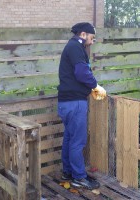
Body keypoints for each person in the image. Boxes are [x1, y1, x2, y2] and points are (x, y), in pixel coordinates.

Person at [57, 22, 106, 190]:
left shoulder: (71, 47)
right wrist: (95, 85)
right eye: (92, 38)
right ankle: (79, 177)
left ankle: (67, 173)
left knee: (69, 139)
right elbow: (81, 72)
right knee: (78, 141)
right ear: (83, 34)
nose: (92, 42)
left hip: (65, 103)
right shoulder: (76, 48)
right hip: (75, 103)